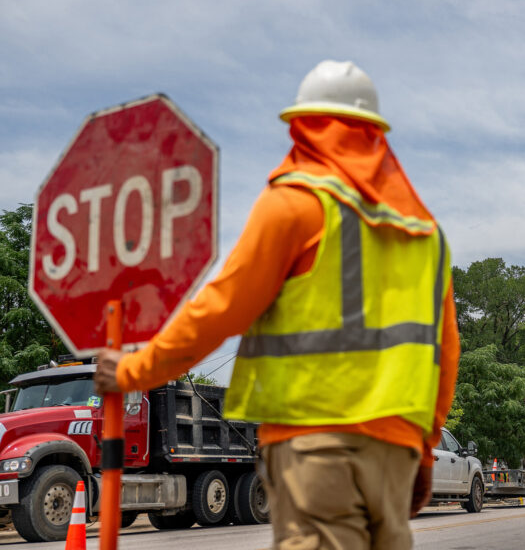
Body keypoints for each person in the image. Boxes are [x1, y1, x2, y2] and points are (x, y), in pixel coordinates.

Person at [94, 60, 461, 550]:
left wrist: (135, 370)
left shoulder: (294, 204)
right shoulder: (424, 235)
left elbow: (220, 310)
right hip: (395, 451)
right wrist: (426, 451)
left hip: (315, 444)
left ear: (304, 126)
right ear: (375, 135)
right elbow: (444, 358)